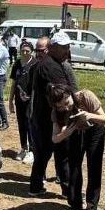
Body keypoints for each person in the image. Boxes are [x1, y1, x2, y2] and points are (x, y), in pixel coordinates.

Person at [49, 83, 105, 210]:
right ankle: (75, 207)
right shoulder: (57, 112)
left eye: (67, 103)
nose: (66, 108)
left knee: (94, 169)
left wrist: (89, 115)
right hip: (75, 132)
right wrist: (65, 133)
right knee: (74, 168)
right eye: (61, 106)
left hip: (95, 131)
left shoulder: (86, 96)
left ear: (71, 94)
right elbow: (55, 138)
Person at [28, 33, 77, 196]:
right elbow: (64, 94)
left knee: (44, 153)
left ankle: (36, 186)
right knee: (61, 154)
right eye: (63, 47)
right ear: (53, 47)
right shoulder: (51, 66)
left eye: (68, 47)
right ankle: (67, 190)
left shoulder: (51, 63)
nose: (67, 50)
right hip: (50, 119)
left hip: (44, 117)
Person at [9, 41, 36, 164]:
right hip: (19, 100)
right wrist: (10, 100)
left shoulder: (35, 64)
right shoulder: (17, 64)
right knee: (21, 125)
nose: (24, 53)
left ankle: (32, 151)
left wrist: (31, 97)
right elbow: (14, 83)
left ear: (32, 51)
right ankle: (23, 148)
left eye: (27, 51)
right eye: (22, 51)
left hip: (31, 100)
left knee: (30, 124)